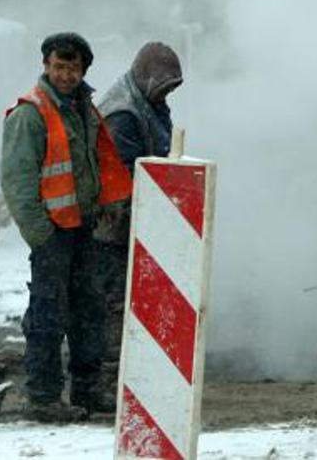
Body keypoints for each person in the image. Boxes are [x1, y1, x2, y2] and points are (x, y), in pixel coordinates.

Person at [1, 32, 132, 422]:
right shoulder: (31, 114)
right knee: (48, 314)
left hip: (83, 228)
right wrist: (40, 235)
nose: (66, 74)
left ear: (83, 70)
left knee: (87, 311)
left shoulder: (82, 109)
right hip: (54, 234)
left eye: (73, 68)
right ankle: (43, 397)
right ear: (46, 65)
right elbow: (18, 183)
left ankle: (87, 391)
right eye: (59, 66)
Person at [95, 42, 183, 395]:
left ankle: (130, 376)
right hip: (113, 226)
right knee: (115, 303)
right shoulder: (124, 114)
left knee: (130, 299)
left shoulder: (147, 103)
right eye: (165, 85)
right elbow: (124, 177)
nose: (169, 93)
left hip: (132, 221)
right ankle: (109, 382)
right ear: (148, 77)